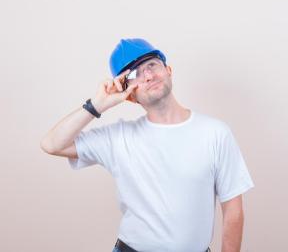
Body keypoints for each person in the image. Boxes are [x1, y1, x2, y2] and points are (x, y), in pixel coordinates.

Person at [41, 38, 255, 252]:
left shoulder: (215, 133)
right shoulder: (118, 138)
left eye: (152, 65)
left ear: (168, 70)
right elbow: (52, 144)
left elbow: (233, 210)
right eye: (135, 74)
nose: (148, 76)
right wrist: (98, 104)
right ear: (130, 94)